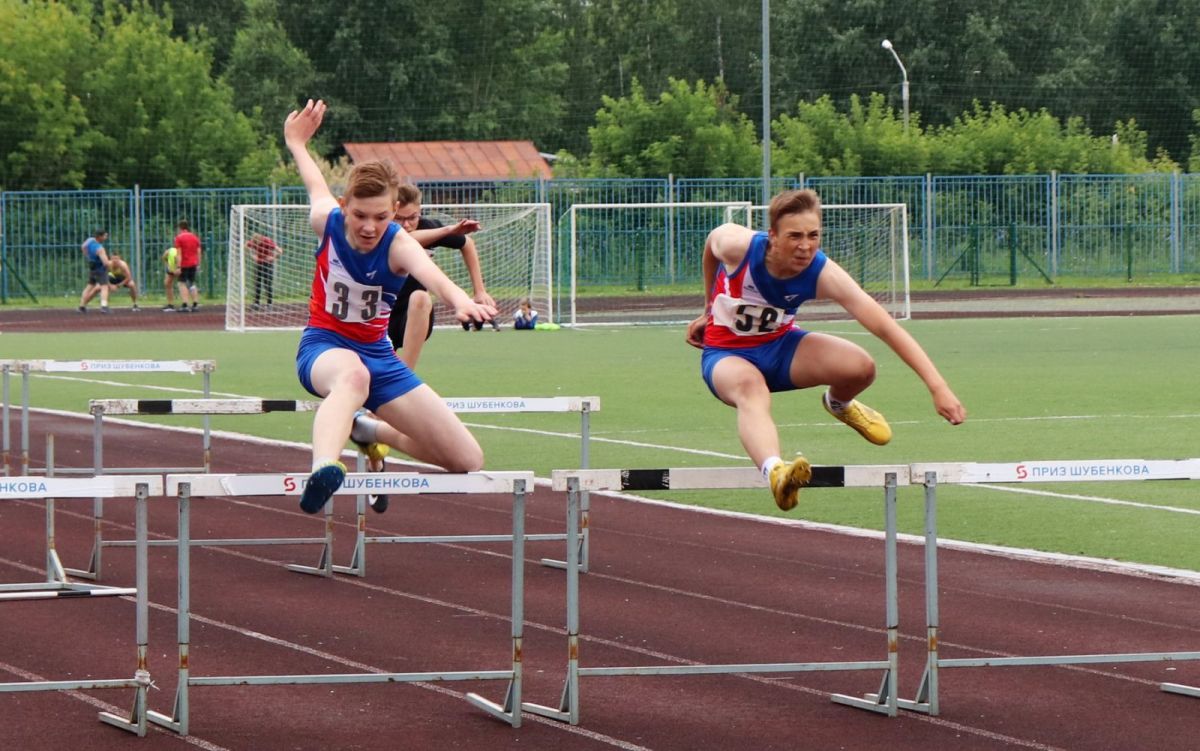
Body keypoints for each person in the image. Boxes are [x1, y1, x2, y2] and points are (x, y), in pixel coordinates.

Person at [685, 188, 966, 512]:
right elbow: (712, 243)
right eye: (794, 236)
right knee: (752, 389)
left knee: (861, 367)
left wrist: (938, 386)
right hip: (727, 355)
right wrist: (708, 308)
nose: (805, 246)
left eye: (813, 235)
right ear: (773, 235)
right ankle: (777, 473)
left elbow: (885, 327)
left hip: (781, 347)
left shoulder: (822, 273)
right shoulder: (739, 247)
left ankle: (839, 403)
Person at [284, 98, 496, 515]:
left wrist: (462, 301)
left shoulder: (398, 243)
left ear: (395, 211)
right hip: (324, 348)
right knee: (353, 377)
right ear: (344, 207)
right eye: (360, 216)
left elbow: (432, 276)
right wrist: (296, 142)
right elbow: (314, 182)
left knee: (467, 459)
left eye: (380, 217)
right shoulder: (326, 220)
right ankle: (324, 467)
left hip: (378, 356)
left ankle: (368, 430)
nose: (369, 227)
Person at [388, 184, 498, 367]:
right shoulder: (380, 231)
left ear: (419, 212)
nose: (406, 225)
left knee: (421, 297)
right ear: (390, 211)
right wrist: (448, 230)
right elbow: (401, 240)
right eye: (399, 218)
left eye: (412, 217)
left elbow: (467, 244)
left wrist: (479, 290)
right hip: (381, 313)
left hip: (413, 314)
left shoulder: (429, 227)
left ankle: (405, 375)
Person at [78, 229, 112, 314]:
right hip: (100, 269)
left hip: (92, 267)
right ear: (100, 237)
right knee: (104, 287)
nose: (106, 237)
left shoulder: (90, 240)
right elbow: (105, 263)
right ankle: (104, 306)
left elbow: (83, 246)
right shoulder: (100, 248)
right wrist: (111, 263)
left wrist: (88, 256)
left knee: (89, 286)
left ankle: (82, 306)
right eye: (105, 235)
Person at [248, 232, 282, 309]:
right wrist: (253, 255)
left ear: (260, 239)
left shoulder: (267, 241)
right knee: (257, 284)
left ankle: (269, 304)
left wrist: (273, 257)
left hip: (268, 265)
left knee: (267, 284)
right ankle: (256, 304)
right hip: (259, 264)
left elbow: (280, 251)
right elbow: (246, 246)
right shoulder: (253, 242)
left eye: (257, 243)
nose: (256, 245)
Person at [174, 219, 202, 312]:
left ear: (180, 228)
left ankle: (185, 304)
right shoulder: (195, 237)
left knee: (182, 283)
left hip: (184, 264)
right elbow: (199, 252)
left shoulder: (179, 238)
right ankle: (195, 304)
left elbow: (179, 254)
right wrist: (198, 264)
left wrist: (178, 267)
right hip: (193, 263)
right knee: (192, 283)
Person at [161, 246, 181, 311]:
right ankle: (170, 304)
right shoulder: (170, 251)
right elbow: (164, 257)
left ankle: (186, 303)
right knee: (167, 283)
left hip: (180, 268)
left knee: (183, 284)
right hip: (172, 269)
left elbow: (178, 259)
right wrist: (168, 265)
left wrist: (178, 268)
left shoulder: (176, 252)